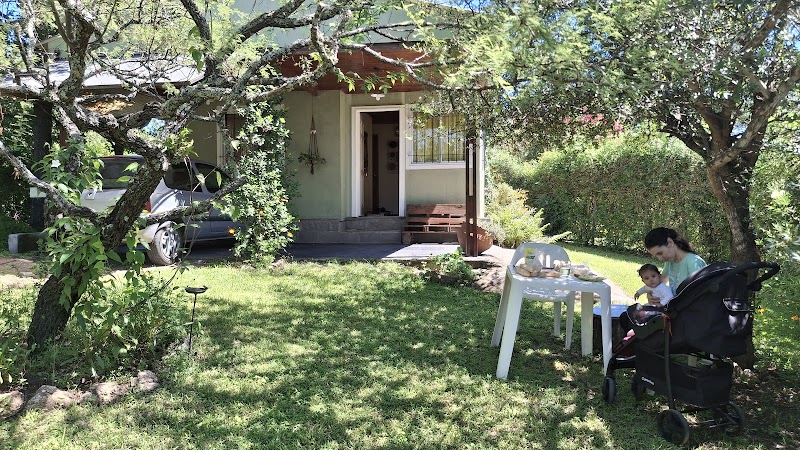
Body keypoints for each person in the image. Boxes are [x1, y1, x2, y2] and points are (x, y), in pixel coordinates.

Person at [643, 227, 707, 296]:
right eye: (656, 256)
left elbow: (701, 294)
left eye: (660, 253)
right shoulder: (670, 262)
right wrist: (650, 294)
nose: (660, 259)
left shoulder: (693, 262)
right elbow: (660, 281)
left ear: (670, 242)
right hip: (676, 304)